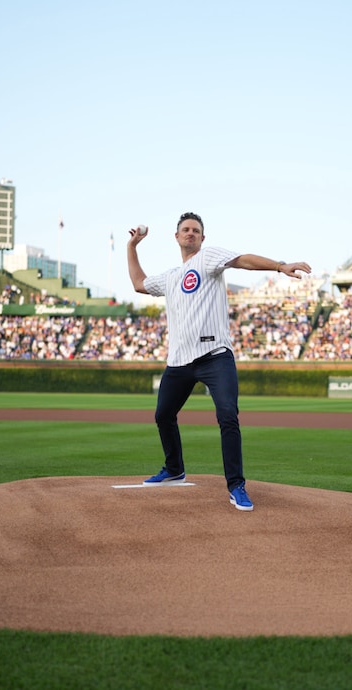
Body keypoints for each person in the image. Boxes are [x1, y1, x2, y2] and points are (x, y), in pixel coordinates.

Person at [127, 211, 311, 511]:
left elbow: (243, 259)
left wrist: (280, 266)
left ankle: (236, 486)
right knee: (163, 415)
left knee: (228, 416)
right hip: (180, 361)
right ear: (176, 237)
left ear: (202, 238)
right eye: (185, 229)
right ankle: (174, 469)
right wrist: (132, 247)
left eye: (195, 230)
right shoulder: (172, 277)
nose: (190, 233)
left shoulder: (208, 257)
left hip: (215, 356)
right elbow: (138, 283)